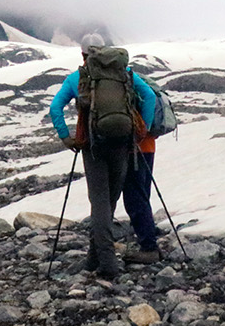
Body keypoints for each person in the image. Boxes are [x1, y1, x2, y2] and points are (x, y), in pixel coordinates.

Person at [49, 34, 160, 279]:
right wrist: (142, 131)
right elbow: (150, 97)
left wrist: (66, 137)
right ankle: (93, 258)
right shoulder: (124, 73)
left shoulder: (77, 77)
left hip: (94, 146)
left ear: (83, 54)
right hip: (122, 144)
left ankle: (107, 263)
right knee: (110, 201)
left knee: (99, 203)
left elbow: (55, 108)